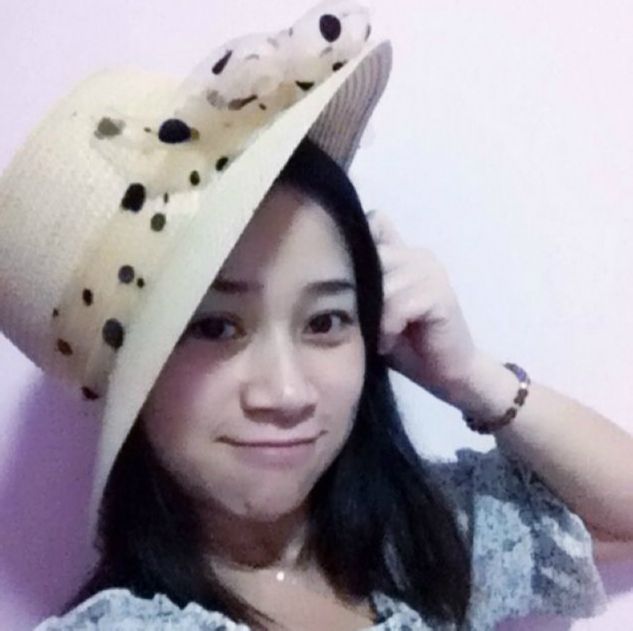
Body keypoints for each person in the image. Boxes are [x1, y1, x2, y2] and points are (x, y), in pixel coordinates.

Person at [0, 2, 630, 630]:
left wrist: (471, 377)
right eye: (216, 327)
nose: (287, 393)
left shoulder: (421, 546)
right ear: (130, 379)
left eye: (325, 322)